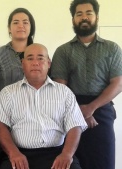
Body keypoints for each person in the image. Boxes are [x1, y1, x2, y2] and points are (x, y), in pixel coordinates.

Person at [50, 0, 122, 169]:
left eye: (89, 13)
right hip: (70, 110)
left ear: (96, 17)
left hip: (102, 111)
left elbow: (118, 84)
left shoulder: (112, 49)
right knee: (73, 161)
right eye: (79, 14)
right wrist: (79, 111)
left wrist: (91, 108)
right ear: (73, 19)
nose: (84, 17)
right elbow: (60, 87)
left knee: (103, 160)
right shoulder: (63, 51)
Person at [0, 43, 87, 169]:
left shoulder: (64, 92)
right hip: (19, 153)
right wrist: (14, 153)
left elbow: (75, 126)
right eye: (30, 58)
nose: (35, 63)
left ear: (48, 63)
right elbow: (1, 127)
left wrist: (67, 154)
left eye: (40, 58)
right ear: (23, 63)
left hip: (57, 153)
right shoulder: (7, 93)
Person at [0, 8, 35, 103]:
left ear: (31, 27)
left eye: (25, 22)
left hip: (35, 112)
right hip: (5, 114)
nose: (21, 26)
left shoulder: (39, 53)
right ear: (9, 28)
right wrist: (2, 104)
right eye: (16, 23)